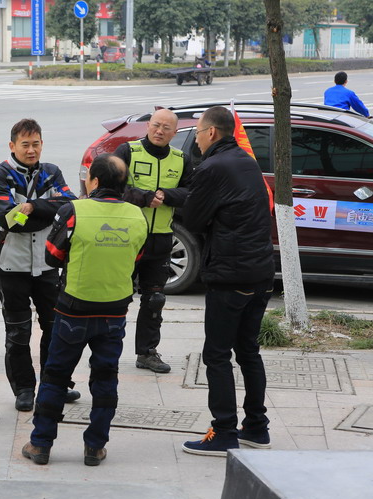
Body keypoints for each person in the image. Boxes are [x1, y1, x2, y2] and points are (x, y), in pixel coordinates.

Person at [21, 154, 148, 467]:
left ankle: (41, 444)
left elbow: (52, 256)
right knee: (106, 378)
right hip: (115, 311)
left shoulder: (73, 211)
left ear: (94, 182)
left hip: (73, 309)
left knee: (55, 375)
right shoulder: (137, 216)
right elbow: (137, 257)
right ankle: (95, 446)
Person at [180, 106, 275, 456]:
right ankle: (257, 427)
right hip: (261, 271)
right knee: (248, 351)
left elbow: (192, 219)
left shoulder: (212, 167)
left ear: (211, 132)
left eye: (198, 133)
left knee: (217, 355)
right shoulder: (246, 161)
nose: (197, 140)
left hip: (230, 273)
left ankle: (223, 432)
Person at [0, 118, 78, 412]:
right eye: (25, 145)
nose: (31, 150)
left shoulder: (51, 171)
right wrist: (46, 213)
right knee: (18, 333)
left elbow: (69, 205)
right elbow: (8, 219)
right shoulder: (0, 173)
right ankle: (24, 389)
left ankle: (54, 385)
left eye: (35, 144)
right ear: (12, 146)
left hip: (47, 264)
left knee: (55, 328)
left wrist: (33, 206)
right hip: (11, 266)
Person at [113, 109, 193, 374]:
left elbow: (191, 192)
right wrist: (144, 197)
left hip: (160, 238)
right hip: (126, 237)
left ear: (174, 132)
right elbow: (113, 188)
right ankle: (107, 349)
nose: (160, 131)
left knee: (155, 299)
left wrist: (166, 195)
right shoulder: (128, 151)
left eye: (166, 128)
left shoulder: (181, 159)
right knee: (117, 297)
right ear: (148, 126)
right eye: (156, 125)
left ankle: (147, 353)